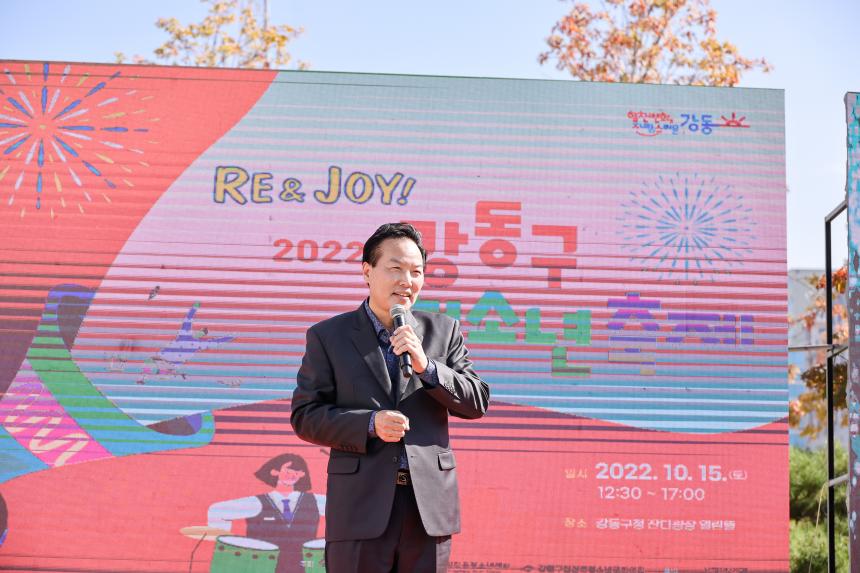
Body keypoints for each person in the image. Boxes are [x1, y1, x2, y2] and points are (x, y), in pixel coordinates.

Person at [290, 222, 489, 572]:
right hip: (360, 507)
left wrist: (428, 367)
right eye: (395, 269)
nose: (406, 281)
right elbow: (306, 416)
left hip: (428, 510)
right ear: (367, 271)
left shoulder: (443, 331)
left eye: (416, 272)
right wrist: (369, 423)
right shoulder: (329, 336)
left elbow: (477, 401)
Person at [207, 453, 320, 573]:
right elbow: (216, 510)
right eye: (288, 471)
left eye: (296, 472)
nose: (292, 475)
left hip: (301, 564)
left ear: (302, 475)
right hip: (262, 563)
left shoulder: (316, 501)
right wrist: (227, 539)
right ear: (275, 472)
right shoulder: (256, 503)